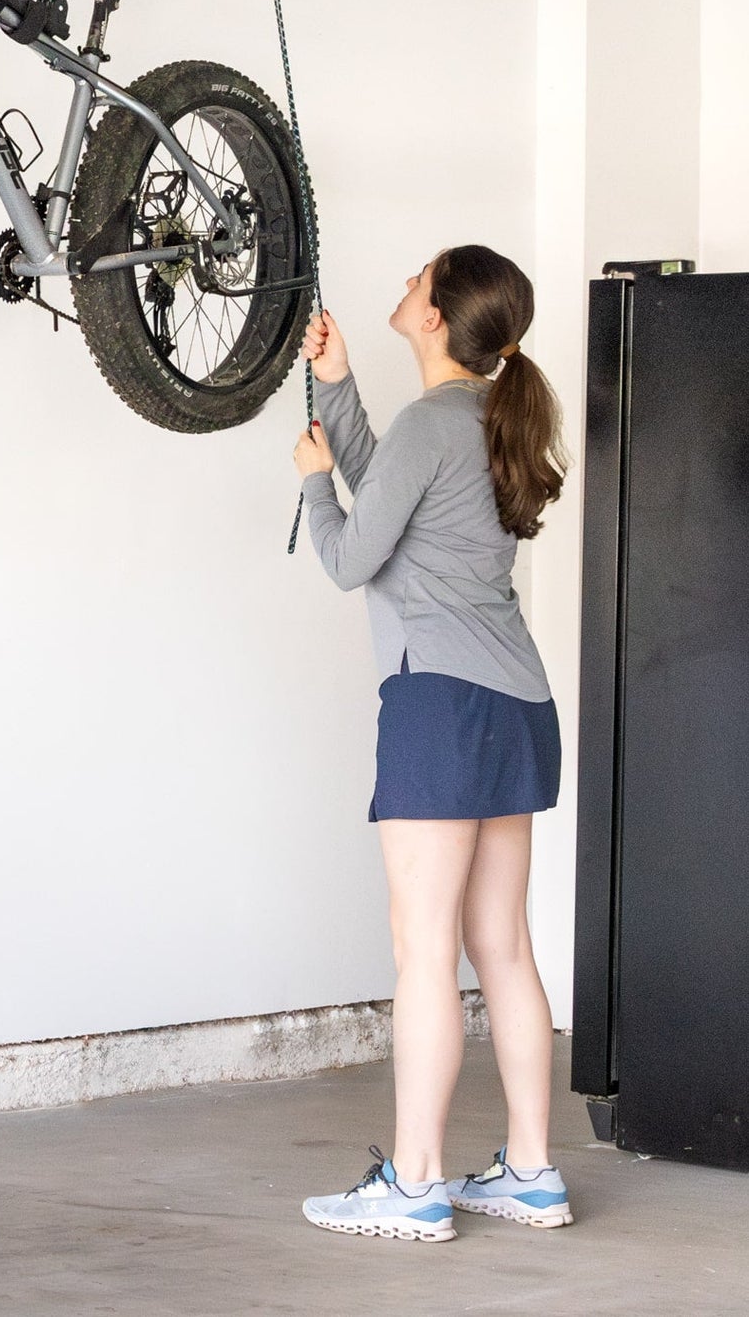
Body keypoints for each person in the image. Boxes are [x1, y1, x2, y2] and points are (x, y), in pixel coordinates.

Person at [292, 246, 572, 1243]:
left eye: (420, 277)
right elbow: (399, 499)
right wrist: (337, 385)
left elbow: (351, 556)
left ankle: (413, 1183)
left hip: (439, 704)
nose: (406, 281)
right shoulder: (486, 416)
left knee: (423, 950)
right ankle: (531, 1172)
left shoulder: (431, 425)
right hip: (516, 703)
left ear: (435, 315)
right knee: (502, 944)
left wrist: (314, 485)